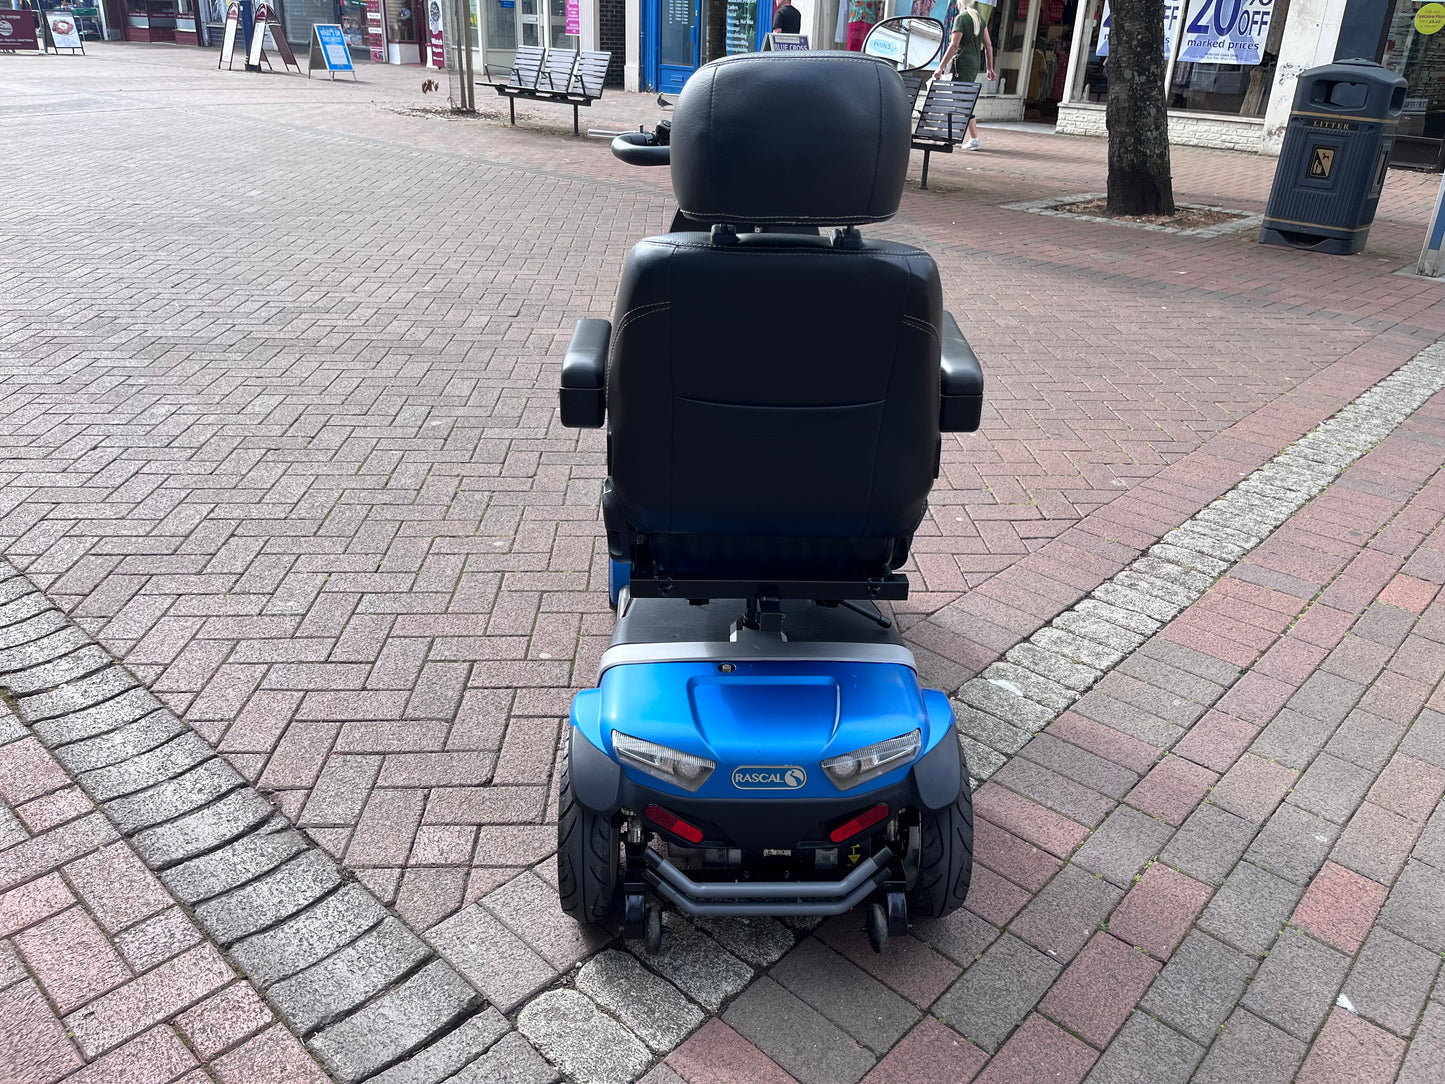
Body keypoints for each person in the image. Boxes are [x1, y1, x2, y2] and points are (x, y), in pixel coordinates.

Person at [936, 0, 994, 151]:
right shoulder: (980, 20)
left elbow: (954, 45)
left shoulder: (961, 19)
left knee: (963, 100)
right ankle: (939, 131)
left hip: (961, 64)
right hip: (974, 64)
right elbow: (988, 45)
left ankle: (974, 138)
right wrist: (989, 68)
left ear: (960, 3)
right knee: (958, 98)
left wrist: (940, 67)